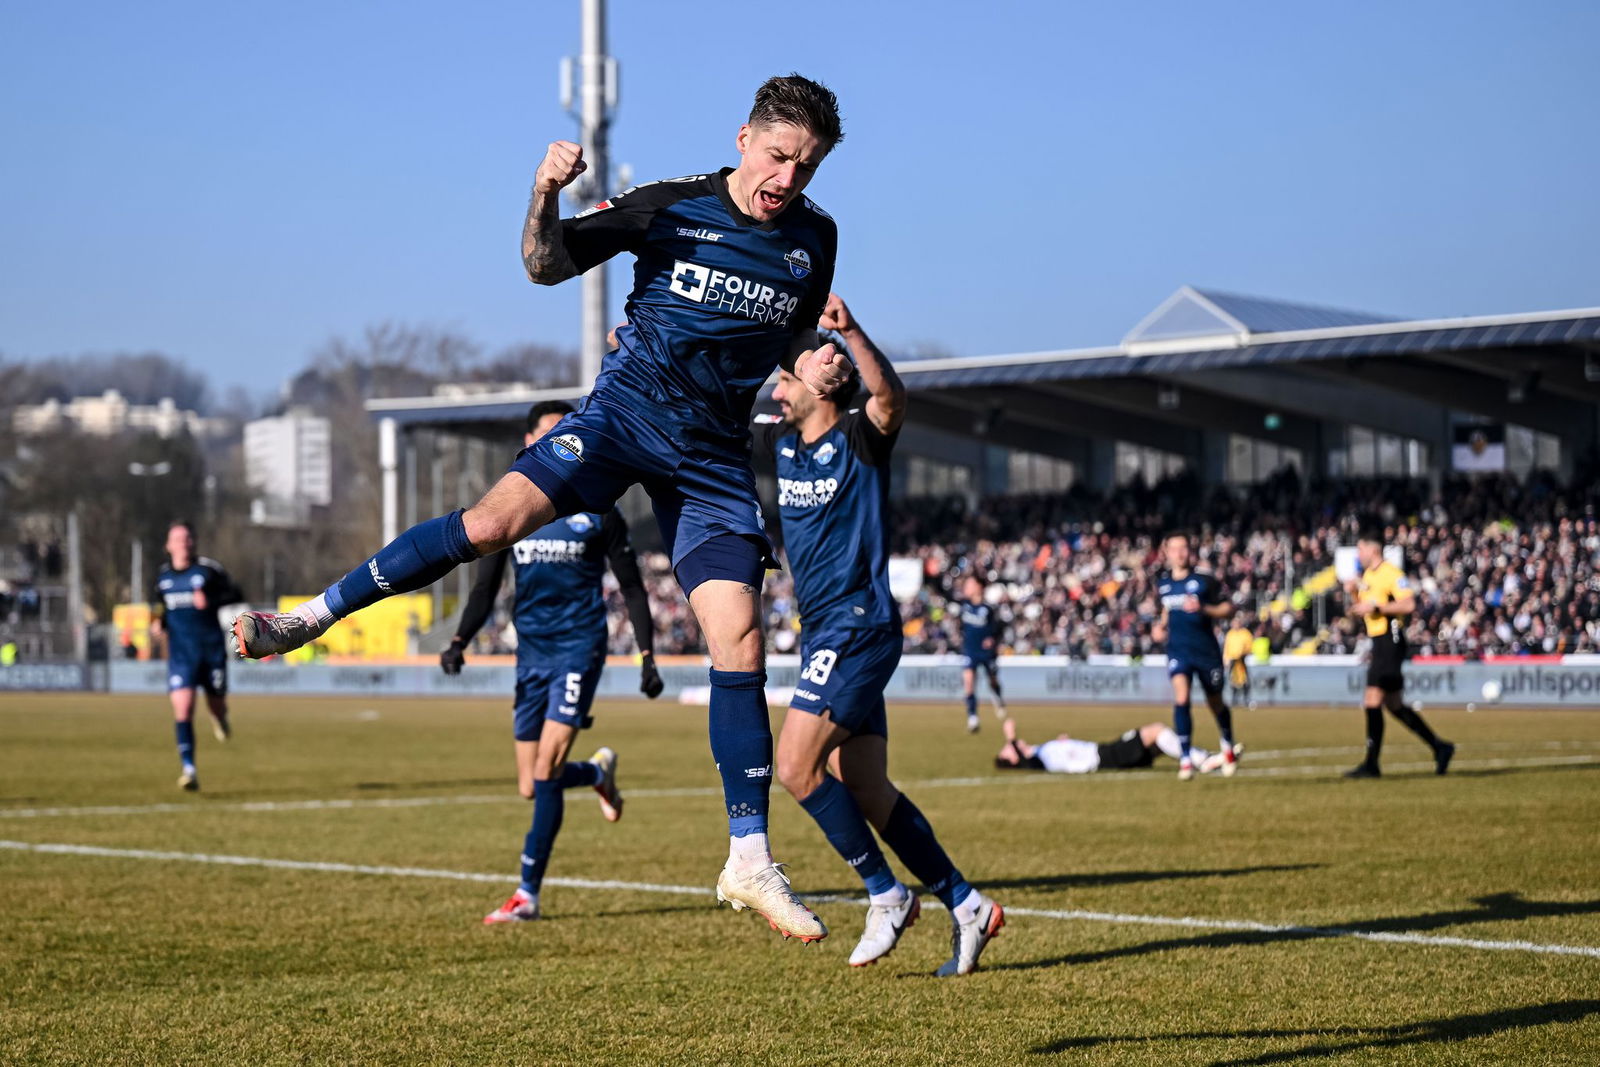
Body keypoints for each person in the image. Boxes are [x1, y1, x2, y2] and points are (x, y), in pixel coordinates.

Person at [234, 74, 851, 942]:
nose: (788, 178)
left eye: (808, 166)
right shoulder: (667, 207)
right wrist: (543, 193)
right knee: (488, 525)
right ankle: (308, 618)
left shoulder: (814, 239)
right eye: (780, 155)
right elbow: (544, 265)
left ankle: (747, 856)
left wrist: (813, 367)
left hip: (712, 459)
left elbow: (787, 338)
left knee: (738, 635)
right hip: (620, 422)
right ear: (745, 137)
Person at [756, 294, 1004, 973]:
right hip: (825, 636)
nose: (776, 389)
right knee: (863, 782)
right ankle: (967, 903)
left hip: (857, 625)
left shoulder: (860, 440)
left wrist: (849, 332)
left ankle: (885, 893)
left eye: (787, 377)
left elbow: (890, 396)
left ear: (823, 381)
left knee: (795, 768)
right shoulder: (780, 445)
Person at [441, 401, 664, 922]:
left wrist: (647, 654)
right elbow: (485, 585)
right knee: (530, 784)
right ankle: (595, 775)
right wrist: (459, 639)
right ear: (531, 439)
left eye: (569, 430)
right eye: (552, 432)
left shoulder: (598, 509)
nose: (564, 439)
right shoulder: (512, 508)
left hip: (578, 649)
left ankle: (527, 894)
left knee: (544, 769)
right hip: (532, 653)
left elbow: (630, 584)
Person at [1343, 527, 1455, 778]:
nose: (1358, 554)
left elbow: (1408, 603)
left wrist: (1378, 606)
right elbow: (1362, 609)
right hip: (1378, 640)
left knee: (1372, 700)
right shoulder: (1368, 577)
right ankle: (1440, 747)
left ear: (1373, 549)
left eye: (1360, 548)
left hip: (1390, 640)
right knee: (1393, 705)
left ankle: (1371, 764)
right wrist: (1352, 591)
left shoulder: (1390, 574)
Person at [150, 522, 243, 791]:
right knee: (184, 708)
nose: (184, 543)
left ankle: (219, 717)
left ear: (194, 542)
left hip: (211, 650)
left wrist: (211, 601)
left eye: (188, 538)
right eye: (178, 539)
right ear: (168, 545)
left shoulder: (208, 570)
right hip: (181, 655)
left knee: (216, 705)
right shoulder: (162, 578)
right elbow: (159, 607)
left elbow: (236, 593)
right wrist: (159, 622)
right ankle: (189, 769)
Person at [1150, 532, 1239, 780]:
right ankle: (1186, 758)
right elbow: (1165, 614)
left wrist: (1205, 608)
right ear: (1166, 552)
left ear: (1190, 551)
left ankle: (1227, 744)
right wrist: (1159, 628)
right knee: (1182, 697)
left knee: (1215, 702)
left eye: (1184, 548)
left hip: (1206, 651)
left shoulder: (1204, 581)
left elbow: (1229, 608)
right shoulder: (1163, 585)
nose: (1179, 553)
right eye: (1174, 548)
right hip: (1178, 651)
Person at [994, 715, 1236, 775]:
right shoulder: (1033, 761)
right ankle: (1203, 759)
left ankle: (1203, 758)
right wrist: (1010, 737)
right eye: (1007, 750)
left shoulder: (1040, 750)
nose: (1009, 747)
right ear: (1013, 758)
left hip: (1104, 753)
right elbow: (1031, 765)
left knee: (1159, 741)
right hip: (1103, 756)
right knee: (1156, 731)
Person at [957, 575, 1007, 733]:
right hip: (970, 650)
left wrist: (992, 639)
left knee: (992, 680)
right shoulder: (964, 606)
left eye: (970, 584)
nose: (967, 587)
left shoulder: (988, 609)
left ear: (979, 587)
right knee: (968, 683)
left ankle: (998, 698)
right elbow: (961, 627)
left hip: (986, 652)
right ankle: (973, 717)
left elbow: (999, 628)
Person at [1223, 614, 1254, 709]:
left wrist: (1244, 653)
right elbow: (1226, 648)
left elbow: (1250, 647)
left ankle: (1246, 700)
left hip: (1241, 660)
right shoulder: (1230, 634)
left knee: (1244, 680)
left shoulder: (1246, 633)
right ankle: (1234, 700)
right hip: (1232, 660)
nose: (1235, 624)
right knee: (1233, 681)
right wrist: (1225, 659)